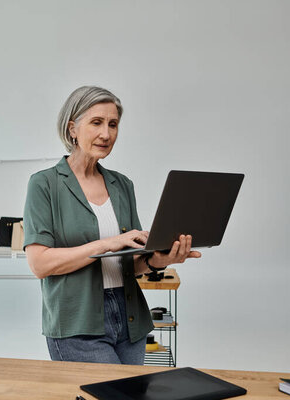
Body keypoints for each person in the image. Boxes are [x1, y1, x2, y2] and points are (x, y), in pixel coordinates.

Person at [23, 86, 201, 365]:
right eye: (96, 123)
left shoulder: (122, 184)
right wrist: (107, 244)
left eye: (113, 124)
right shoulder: (45, 184)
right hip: (77, 324)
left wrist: (159, 260)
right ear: (72, 129)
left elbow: (130, 263)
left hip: (131, 318)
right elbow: (40, 264)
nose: (106, 134)